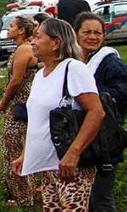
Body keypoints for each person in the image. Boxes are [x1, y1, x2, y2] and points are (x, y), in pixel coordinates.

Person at [11, 18, 105, 211]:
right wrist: (25, 154)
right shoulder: (40, 75)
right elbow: (39, 121)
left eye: (38, 37)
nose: (32, 42)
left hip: (70, 168)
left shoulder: (73, 69)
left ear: (56, 43)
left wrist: (73, 154)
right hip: (49, 167)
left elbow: (96, 112)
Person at [74, 12, 127, 212]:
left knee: (101, 200)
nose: (93, 37)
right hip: (82, 138)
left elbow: (122, 94)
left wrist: (89, 96)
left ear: (103, 37)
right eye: (87, 32)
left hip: (105, 141)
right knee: (84, 198)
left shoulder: (110, 63)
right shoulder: (76, 61)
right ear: (76, 34)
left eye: (98, 33)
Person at [0, 16, 38, 207]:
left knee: (14, 149)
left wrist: (4, 102)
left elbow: (16, 81)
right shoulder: (25, 48)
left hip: (20, 105)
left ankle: (23, 197)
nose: (8, 29)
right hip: (22, 103)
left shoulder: (24, 49)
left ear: (21, 30)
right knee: (18, 147)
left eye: (12, 26)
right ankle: (22, 193)